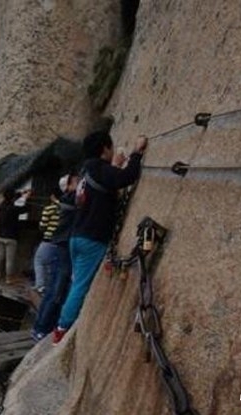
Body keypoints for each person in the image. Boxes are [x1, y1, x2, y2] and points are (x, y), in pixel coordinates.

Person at [53, 132, 147, 344]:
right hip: (92, 238)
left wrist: (115, 164)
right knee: (80, 285)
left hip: (77, 236)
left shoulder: (86, 171)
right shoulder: (98, 169)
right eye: (110, 146)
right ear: (104, 148)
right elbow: (126, 177)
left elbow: (107, 183)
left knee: (77, 282)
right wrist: (137, 152)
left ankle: (65, 320)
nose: (113, 149)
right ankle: (62, 328)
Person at [31, 173, 79, 341]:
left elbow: (43, 226)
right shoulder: (67, 202)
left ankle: (42, 325)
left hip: (54, 244)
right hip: (60, 247)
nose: (80, 182)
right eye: (76, 181)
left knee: (55, 287)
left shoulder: (58, 205)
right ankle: (41, 327)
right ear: (67, 187)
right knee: (56, 291)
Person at [0, 188, 32, 282]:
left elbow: (11, 197)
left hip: (0, 236)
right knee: (10, 259)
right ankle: (9, 279)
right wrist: (27, 198)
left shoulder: (1, 206)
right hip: (11, 237)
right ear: (12, 198)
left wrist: (21, 193)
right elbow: (26, 209)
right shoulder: (14, 209)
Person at [32, 188, 62, 293]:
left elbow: (42, 226)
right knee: (51, 265)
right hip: (60, 242)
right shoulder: (64, 209)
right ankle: (48, 287)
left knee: (39, 261)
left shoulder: (49, 209)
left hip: (48, 240)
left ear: (53, 197)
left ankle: (40, 285)